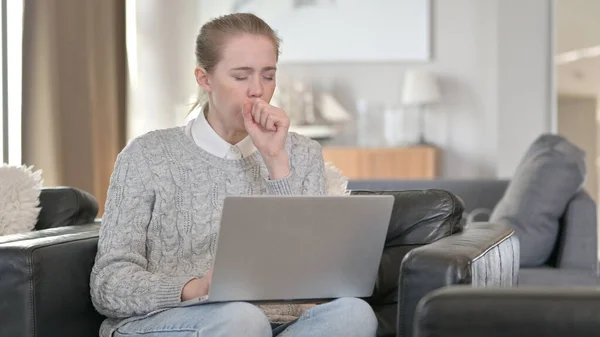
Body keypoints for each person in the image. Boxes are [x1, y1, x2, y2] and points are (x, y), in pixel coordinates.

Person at [90, 12, 378, 337]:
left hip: (280, 324)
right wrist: (194, 287)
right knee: (241, 319)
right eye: (241, 76)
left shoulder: (302, 152)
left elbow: (318, 280)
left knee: (356, 314)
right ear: (204, 79)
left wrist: (275, 160)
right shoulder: (147, 155)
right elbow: (108, 284)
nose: (258, 90)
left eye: (268, 76)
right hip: (171, 318)